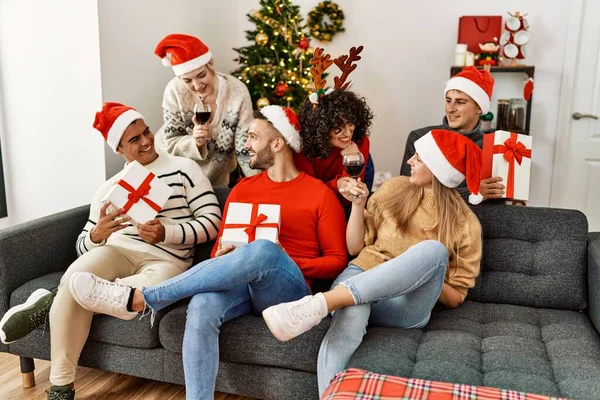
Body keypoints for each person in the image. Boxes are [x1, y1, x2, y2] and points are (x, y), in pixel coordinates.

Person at [66, 105, 348, 400]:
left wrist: (282, 258)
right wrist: (223, 255)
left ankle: (146, 298)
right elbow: (216, 250)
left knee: (263, 250)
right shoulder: (242, 189)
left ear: (277, 144)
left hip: (286, 289)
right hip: (239, 286)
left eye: (253, 137)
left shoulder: (319, 194)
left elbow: (337, 262)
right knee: (200, 305)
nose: (246, 144)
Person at [0, 102, 221, 399]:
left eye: (145, 132)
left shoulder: (185, 169)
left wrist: (165, 232)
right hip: (117, 250)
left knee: (136, 289)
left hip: (167, 258)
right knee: (79, 273)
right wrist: (95, 235)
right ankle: (61, 386)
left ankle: (51, 299)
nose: (145, 141)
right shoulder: (110, 188)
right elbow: (81, 246)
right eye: (134, 139)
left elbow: (212, 223)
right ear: (118, 149)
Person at [263, 129, 484, 395]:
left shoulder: (465, 224)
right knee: (353, 308)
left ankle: (321, 303)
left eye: (419, 157)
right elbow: (355, 247)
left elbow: (457, 296)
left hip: (404, 304)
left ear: (439, 168)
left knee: (433, 251)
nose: (410, 161)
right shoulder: (395, 188)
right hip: (359, 275)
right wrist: (359, 204)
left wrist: (417, 271)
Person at [154, 33, 258, 188]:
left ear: (211, 62)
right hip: (174, 178)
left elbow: (245, 147)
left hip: (216, 180)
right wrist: (195, 141)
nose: (197, 85)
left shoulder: (237, 92)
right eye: (187, 80)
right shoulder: (174, 91)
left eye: (201, 75)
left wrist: (259, 184)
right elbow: (171, 143)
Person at [400, 66, 505, 202]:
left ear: (479, 107)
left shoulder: (493, 147)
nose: (450, 109)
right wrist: (471, 192)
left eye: (460, 102)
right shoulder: (421, 138)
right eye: (448, 100)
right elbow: (405, 192)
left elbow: (499, 204)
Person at [295, 46, 374, 206]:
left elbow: (350, 197)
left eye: (350, 123)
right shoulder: (303, 146)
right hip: (315, 200)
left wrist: (352, 158)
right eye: (338, 127)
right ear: (322, 127)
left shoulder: (360, 140)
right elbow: (307, 192)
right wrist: (337, 185)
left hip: (346, 200)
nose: (347, 134)